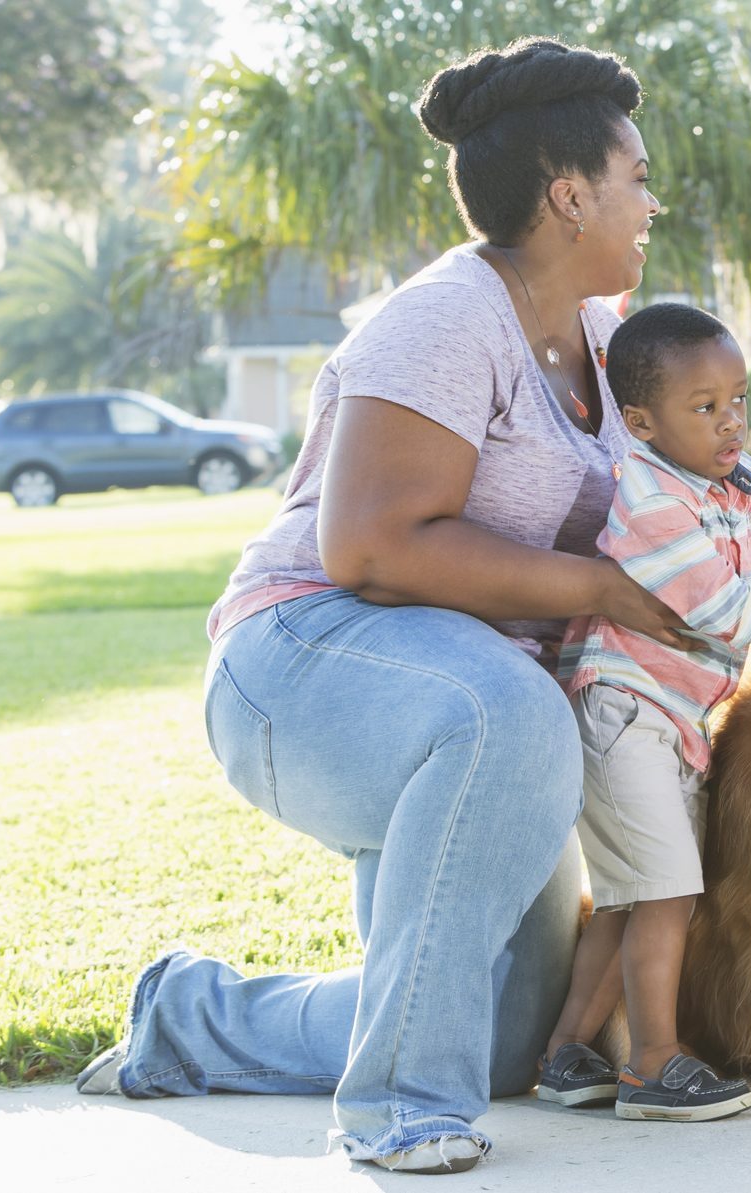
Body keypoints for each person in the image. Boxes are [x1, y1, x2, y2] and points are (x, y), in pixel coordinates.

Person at [72, 38, 686, 1174]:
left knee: (504, 1031)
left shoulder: (604, 341)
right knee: (508, 714)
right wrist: (601, 589)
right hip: (305, 661)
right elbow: (370, 544)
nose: (654, 198)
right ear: (568, 194)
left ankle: (190, 1014)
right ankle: (400, 1106)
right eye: (637, 175)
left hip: (466, 709)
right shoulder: (446, 319)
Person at [531, 303, 751, 1123]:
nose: (730, 421)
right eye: (703, 408)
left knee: (636, 896)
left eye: (737, 399)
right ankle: (653, 1065)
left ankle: (567, 1056)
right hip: (624, 709)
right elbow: (721, 606)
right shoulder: (647, 494)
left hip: (676, 722)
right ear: (640, 421)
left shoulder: (737, 491)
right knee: (669, 891)